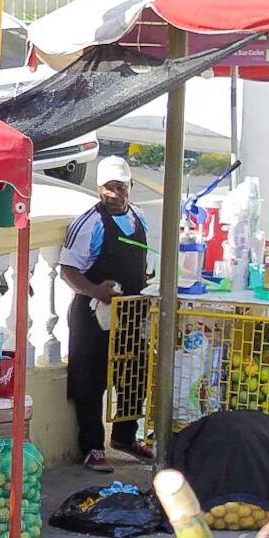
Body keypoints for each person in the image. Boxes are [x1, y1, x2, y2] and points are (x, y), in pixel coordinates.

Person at [59, 156, 155, 473]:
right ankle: (92, 447)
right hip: (93, 313)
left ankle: (125, 437)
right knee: (90, 379)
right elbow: (67, 270)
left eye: (121, 187)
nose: (115, 194)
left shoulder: (139, 217)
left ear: (130, 186)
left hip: (131, 312)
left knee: (134, 373)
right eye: (109, 188)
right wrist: (96, 290)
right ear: (99, 188)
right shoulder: (89, 223)